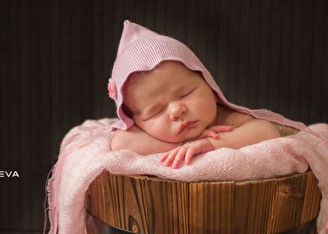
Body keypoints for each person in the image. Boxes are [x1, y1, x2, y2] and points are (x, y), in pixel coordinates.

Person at [110, 59, 281, 167]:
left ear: (211, 87)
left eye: (185, 94)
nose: (176, 111)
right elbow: (121, 142)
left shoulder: (223, 117)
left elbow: (268, 131)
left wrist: (210, 143)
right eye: (156, 111)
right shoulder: (145, 134)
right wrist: (187, 143)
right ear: (135, 122)